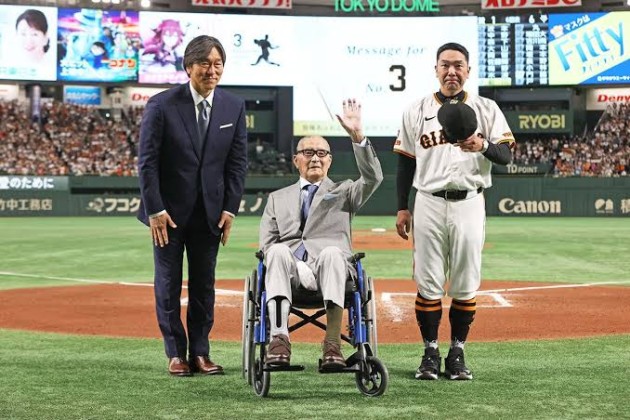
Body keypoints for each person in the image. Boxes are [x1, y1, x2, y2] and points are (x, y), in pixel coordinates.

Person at [393, 42, 515, 381]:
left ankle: (457, 352)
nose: (451, 71)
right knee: (428, 281)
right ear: (436, 69)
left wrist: (483, 145)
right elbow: (405, 162)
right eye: (445, 65)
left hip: (470, 201)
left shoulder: (487, 108)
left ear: (468, 70)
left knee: (465, 281)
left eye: (458, 65)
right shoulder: (416, 110)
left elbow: (506, 156)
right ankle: (430, 352)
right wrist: (402, 207)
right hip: (428, 200)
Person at [137, 35, 248, 377]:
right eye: (204, 64)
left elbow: (237, 164)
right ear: (188, 67)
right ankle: (175, 353)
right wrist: (155, 210)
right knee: (168, 283)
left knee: (204, 285)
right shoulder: (161, 105)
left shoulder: (233, 106)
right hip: (167, 215)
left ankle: (200, 352)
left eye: (218, 64)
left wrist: (229, 209)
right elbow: (147, 162)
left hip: (210, 214)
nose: (212, 71)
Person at [259, 99, 383, 370]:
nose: (315, 157)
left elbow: (373, 178)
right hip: (290, 270)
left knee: (332, 253)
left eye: (321, 153)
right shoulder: (277, 198)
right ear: (296, 160)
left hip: (331, 268)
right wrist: (296, 264)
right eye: (308, 152)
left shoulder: (345, 191)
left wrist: (357, 136)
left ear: (329, 160)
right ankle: (279, 339)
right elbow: (267, 245)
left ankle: (333, 344)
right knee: (276, 251)